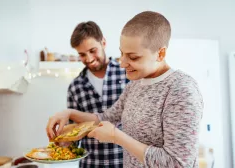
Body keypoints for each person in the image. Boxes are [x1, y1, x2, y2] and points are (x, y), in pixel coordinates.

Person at [47, 11, 203, 168]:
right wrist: (68, 113)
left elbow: (179, 164)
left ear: (160, 54)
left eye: (133, 57)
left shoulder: (181, 90)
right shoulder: (135, 85)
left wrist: (117, 137)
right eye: (122, 53)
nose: (122, 63)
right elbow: (106, 117)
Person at [57, 21, 129, 167]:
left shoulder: (127, 74)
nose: (89, 59)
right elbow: (74, 133)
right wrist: (64, 141)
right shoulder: (75, 87)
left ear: (103, 42)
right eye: (82, 54)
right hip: (91, 163)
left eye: (92, 50)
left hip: (125, 162)